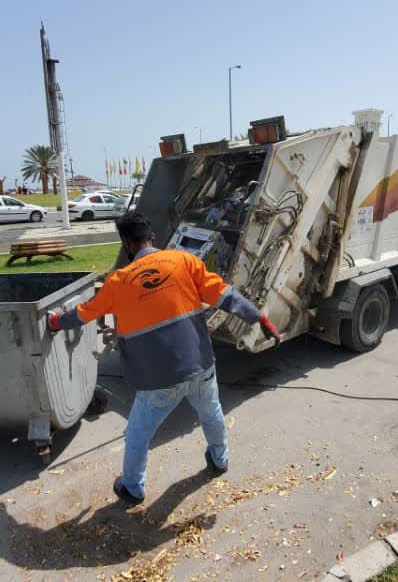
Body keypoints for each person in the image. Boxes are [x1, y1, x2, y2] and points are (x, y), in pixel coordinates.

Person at [48, 211, 281, 505]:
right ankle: (220, 460)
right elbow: (226, 296)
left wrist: (56, 323)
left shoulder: (118, 282)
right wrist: (258, 316)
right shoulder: (184, 261)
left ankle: (133, 488)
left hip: (158, 381)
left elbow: (85, 313)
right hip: (200, 366)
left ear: (126, 243)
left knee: (138, 434)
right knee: (211, 413)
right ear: (152, 238)